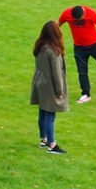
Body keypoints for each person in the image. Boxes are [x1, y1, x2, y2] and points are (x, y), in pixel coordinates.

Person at [58, 4, 96, 102]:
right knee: (82, 71)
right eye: (76, 21)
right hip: (79, 47)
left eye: (80, 20)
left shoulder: (91, 13)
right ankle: (86, 94)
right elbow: (57, 25)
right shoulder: (66, 13)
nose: (78, 22)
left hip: (94, 44)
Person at [32, 19, 69, 154]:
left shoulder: (40, 46)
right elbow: (57, 73)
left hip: (39, 82)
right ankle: (52, 145)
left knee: (42, 112)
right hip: (49, 85)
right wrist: (59, 91)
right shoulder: (53, 51)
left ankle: (44, 139)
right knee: (49, 115)